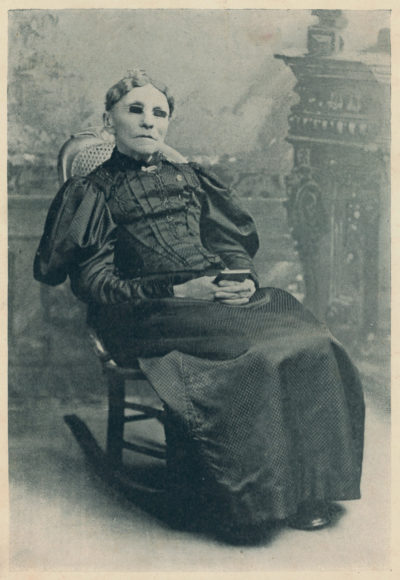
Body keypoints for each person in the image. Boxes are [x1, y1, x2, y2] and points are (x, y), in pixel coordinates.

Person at [34, 69, 365, 544]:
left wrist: (239, 279)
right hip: (148, 312)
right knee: (251, 355)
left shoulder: (190, 177)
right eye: (135, 110)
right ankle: (250, 502)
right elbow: (98, 284)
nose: (148, 121)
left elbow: (229, 244)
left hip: (213, 298)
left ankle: (307, 489)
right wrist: (180, 292)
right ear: (109, 122)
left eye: (159, 113)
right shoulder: (93, 191)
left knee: (314, 340)